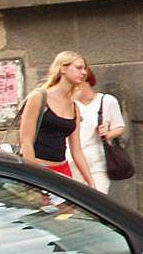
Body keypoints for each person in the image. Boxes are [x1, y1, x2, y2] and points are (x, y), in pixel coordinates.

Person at [19, 51, 95, 188]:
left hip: (63, 170)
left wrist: (90, 182)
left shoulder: (74, 107)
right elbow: (26, 141)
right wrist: (33, 178)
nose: (84, 72)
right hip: (39, 168)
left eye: (84, 69)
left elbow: (76, 150)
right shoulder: (39, 97)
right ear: (63, 69)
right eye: (78, 68)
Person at [67, 66, 125, 194]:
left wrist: (107, 134)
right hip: (71, 161)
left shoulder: (107, 101)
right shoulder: (69, 103)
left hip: (97, 162)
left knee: (96, 196)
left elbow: (119, 126)